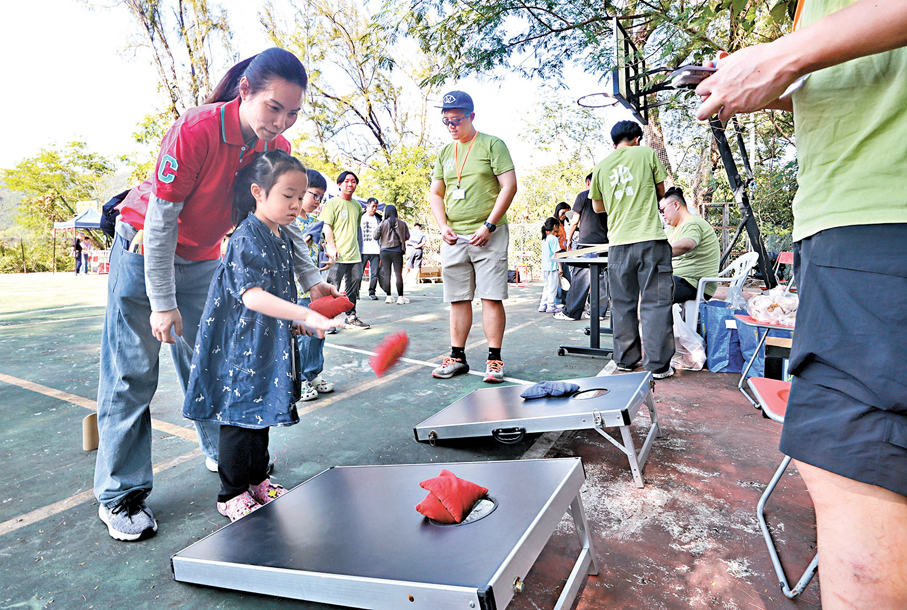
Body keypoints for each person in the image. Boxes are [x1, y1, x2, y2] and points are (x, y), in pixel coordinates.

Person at [696, 2, 907, 606]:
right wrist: (771, 77)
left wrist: (782, 57)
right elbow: (853, 73)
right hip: (846, 223)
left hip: (878, 219)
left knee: (858, 479)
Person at [94, 48, 338, 542]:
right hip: (146, 250)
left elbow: (281, 215)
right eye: (274, 107)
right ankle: (120, 493)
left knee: (217, 362)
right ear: (245, 91)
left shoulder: (276, 145)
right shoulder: (197, 128)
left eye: (292, 111)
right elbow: (161, 221)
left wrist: (312, 278)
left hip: (204, 259)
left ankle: (221, 455)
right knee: (132, 375)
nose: (282, 121)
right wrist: (162, 301)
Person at [183, 151, 340, 521]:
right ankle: (231, 492)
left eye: (301, 196)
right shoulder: (246, 237)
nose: (297, 204)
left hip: (265, 342)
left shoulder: (281, 235)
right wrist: (305, 313)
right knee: (239, 419)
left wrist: (299, 321)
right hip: (240, 346)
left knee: (261, 413)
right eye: (288, 195)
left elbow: (278, 295)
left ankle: (257, 481)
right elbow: (252, 296)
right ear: (258, 191)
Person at [427, 90, 518, 383]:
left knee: (490, 297)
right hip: (455, 236)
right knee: (457, 298)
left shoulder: (492, 145)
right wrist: (442, 226)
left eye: (456, 120)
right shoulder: (445, 153)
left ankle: (494, 359)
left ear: (471, 117)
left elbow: (509, 186)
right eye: (446, 121)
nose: (452, 125)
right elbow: (436, 193)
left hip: (488, 233)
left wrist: (489, 226)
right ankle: (458, 357)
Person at [590, 120, 674, 379]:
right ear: (637, 138)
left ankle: (626, 360)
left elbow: (597, 208)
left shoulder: (601, 166)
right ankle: (658, 366)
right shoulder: (647, 153)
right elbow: (662, 191)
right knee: (656, 303)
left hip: (618, 245)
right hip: (650, 240)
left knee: (622, 304)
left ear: (615, 141)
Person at [288, 168, 337, 401]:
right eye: (313, 194)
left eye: (320, 196)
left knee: (318, 332)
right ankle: (301, 379)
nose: (317, 201)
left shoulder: (316, 222)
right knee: (302, 336)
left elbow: (318, 249)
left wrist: (327, 259)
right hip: (297, 290)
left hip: (316, 287)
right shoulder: (288, 220)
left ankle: (314, 373)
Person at [555, 174, 610, 322]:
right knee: (601, 278)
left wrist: (568, 239)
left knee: (581, 277)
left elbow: (574, 221)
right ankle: (599, 312)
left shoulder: (583, 196)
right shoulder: (608, 196)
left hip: (588, 245)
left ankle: (571, 312)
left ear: (588, 182)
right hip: (605, 243)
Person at [322, 171, 370, 329]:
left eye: (354, 182)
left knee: (353, 288)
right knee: (332, 287)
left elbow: (356, 230)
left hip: (354, 256)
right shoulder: (332, 203)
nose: (351, 184)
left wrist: (360, 250)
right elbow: (326, 226)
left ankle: (351, 317)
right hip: (337, 256)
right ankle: (328, 321)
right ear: (340, 184)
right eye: (347, 181)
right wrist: (332, 247)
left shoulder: (357, 206)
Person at [659, 187, 720, 304]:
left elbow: (687, 244)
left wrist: (657, 252)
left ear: (676, 205)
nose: (662, 215)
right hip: (680, 279)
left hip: (695, 284)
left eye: (663, 210)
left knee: (651, 290)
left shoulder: (693, 222)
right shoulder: (674, 228)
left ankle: (657, 322)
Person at [375, 204, 411, 304]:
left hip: (385, 251)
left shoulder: (382, 223)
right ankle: (400, 297)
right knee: (398, 274)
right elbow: (407, 236)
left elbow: (375, 236)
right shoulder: (402, 223)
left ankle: (389, 296)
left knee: (386, 274)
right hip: (397, 251)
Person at [538, 217, 562, 313]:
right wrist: (560, 267)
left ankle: (542, 305)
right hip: (552, 267)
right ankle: (551, 306)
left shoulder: (545, 238)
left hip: (545, 266)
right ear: (554, 226)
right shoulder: (554, 239)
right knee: (552, 287)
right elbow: (556, 255)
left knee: (547, 286)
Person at [360, 197, 382, 300]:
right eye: (373, 206)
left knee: (375, 273)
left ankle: (372, 291)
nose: (374, 209)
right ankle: (356, 292)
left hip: (376, 250)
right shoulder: (360, 217)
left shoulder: (379, 219)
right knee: (359, 273)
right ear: (367, 205)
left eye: (376, 207)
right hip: (363, 250)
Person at [553, 201, 573, 306]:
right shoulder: (553, 222)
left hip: (564, 251)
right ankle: (558, 302)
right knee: (559, 278)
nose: (564, 215)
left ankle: (566, 301)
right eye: (563, 212)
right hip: (557, 252)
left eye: (567, 213)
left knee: (567, 278)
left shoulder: (564, 223)